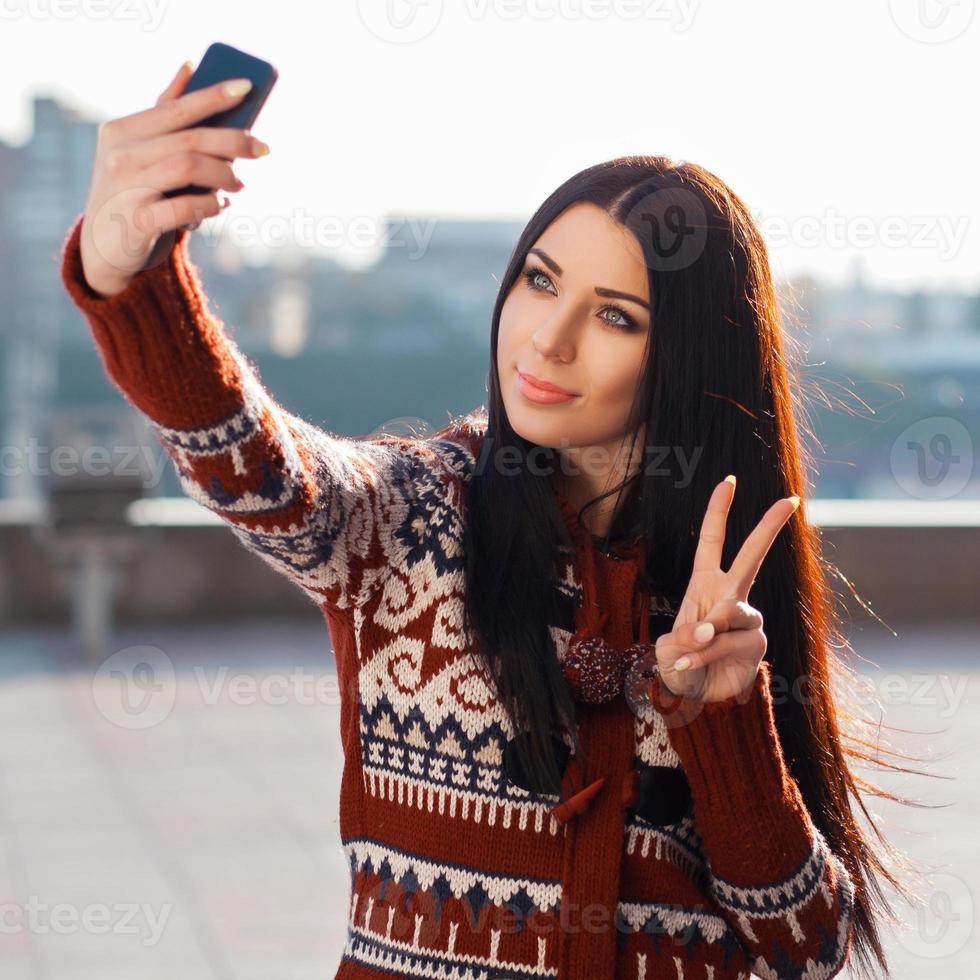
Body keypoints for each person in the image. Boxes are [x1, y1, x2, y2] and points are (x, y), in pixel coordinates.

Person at [59, 62, 913, 980]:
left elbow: (809, 951)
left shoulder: (727, 585)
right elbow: (267, 476)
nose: (549, 338)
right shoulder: (416, 514)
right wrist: (132, 275)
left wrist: (729, 720)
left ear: (691, 356)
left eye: (616, 316)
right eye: (541, 281)